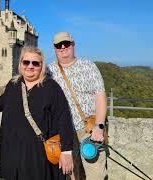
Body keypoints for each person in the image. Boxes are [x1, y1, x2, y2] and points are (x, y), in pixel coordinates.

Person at [0, 45, 75, 180]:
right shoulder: (13, 84)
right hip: (12, 154)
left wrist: (66, 151)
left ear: (41, 66)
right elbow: (1, 102)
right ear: (20, 63)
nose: (30, 66)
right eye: (26, 62)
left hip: (38, 158)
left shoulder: (51, 88)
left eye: (35, 63)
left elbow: (64, 119)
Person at [47, 32, 108, 180]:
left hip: (89, 129)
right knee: (71, 174)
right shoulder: (48, 71)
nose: (62, 47)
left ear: (73, 45)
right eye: (58, 45)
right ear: (54, 48)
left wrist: (99, 126)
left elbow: (100, 96)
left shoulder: (89, 66)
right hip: (63, 132)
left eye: (66, 44)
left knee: (96, 174)